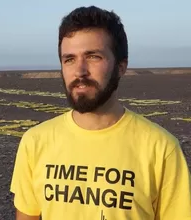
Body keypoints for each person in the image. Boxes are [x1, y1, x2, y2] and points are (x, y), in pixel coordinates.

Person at [10, 5, 191, 220]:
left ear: (121, 66)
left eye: (93, 57)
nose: (79, 71)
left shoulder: (161, 148)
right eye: (69, 59)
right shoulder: (35, 141)